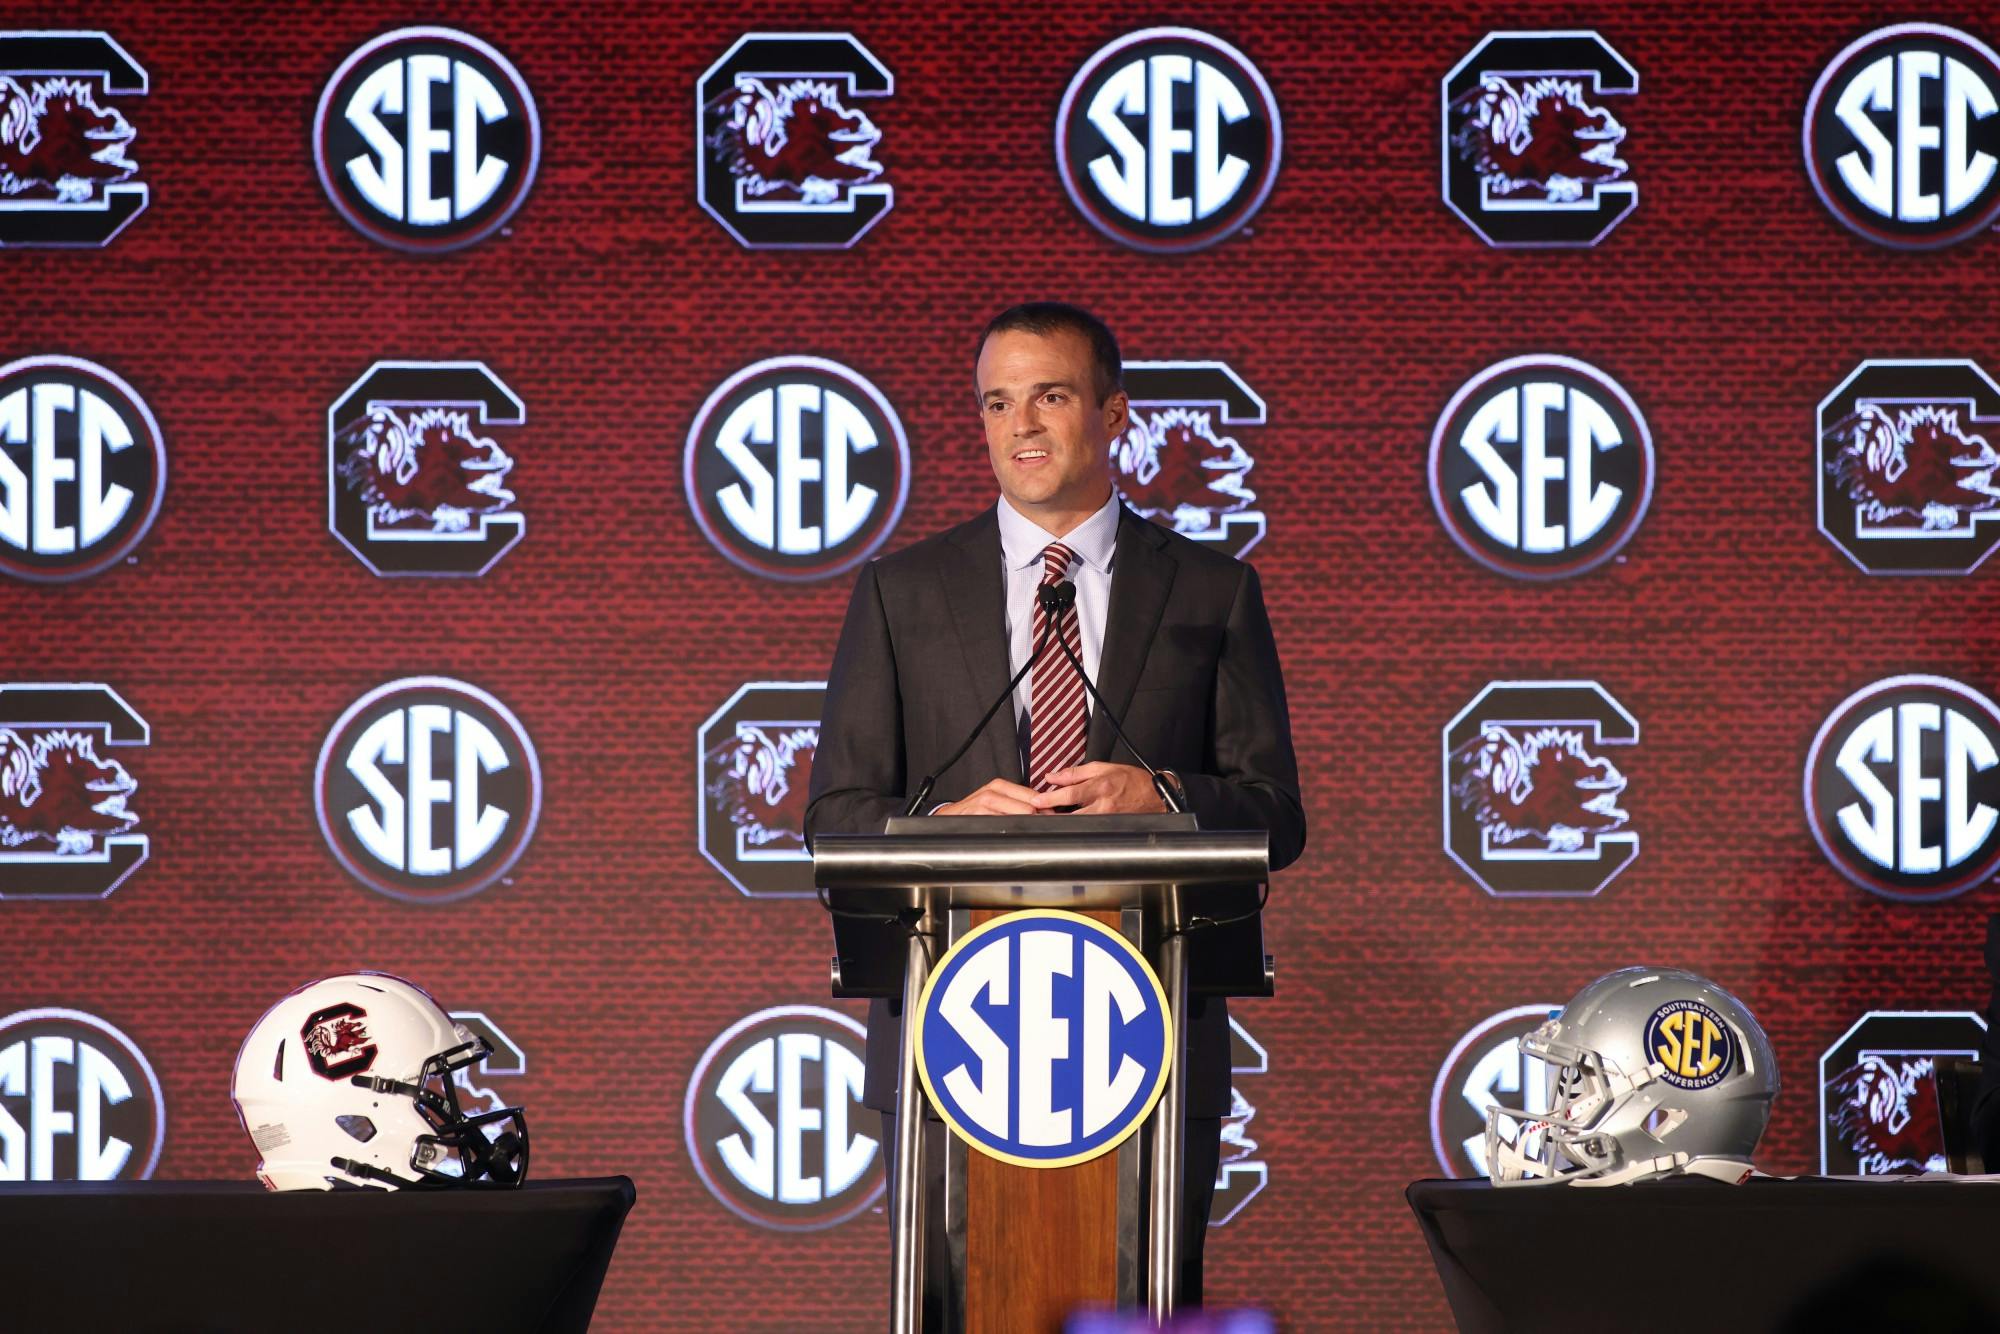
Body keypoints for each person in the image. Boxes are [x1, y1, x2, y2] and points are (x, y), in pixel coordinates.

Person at [805, 301, 1305, 1313]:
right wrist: (937, 828)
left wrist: (1158, 794)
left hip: (1144, 1036)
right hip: (953, 1037)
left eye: (1049, 396)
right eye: (995, 402)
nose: (1019, 427)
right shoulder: (902, 591)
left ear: (1114, 415)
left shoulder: (1209, 591)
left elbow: (1273, 813)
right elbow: (834, 815)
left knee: (1143, 1304)